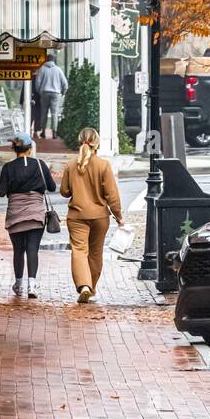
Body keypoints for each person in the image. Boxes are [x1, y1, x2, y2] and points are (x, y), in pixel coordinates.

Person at [59, 126, 124, 304]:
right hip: (100, 217)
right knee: (95, 254)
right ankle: (91, 287)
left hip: (77, 216)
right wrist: (118, 216)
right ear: (97, 143)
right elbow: (112, 195)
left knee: (79, 251)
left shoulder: (71, 165)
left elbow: (64, 191)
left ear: (80, 141)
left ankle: (84, 286)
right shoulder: (103, 165)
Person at [0, 132, 56, 298]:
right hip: (36, 213)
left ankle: (18, 284)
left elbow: (1, 192)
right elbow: (51, 187)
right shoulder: (40, 164)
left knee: (18, 250)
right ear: (30, 149)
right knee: (32, 248)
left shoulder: (8, 168)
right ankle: (32, 285)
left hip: (15, 213)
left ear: (14, 149)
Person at [32, 55, 68, 139]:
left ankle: (43, 132)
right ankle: (54, 132)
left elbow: (37, 83)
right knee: (54, 113)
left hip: (44, 93)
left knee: (44, 112)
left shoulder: (42, 69)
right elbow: (65, 83)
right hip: (55, 93)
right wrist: (62, 92)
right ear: (54, 60)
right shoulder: (58, 70)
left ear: (46, 60)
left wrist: (40, 92)